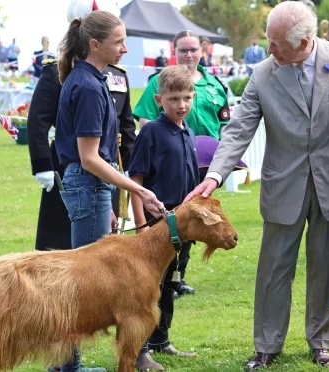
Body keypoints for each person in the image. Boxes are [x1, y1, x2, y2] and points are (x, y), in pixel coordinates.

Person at [184, 1, 329, 369]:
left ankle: (322, 341)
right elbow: (239, 129)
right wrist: (214, 174)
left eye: (276, 43)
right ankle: (267, 345)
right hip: (284, 186)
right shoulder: (264, 73)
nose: (269, 49)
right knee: (273, 270)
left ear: (304, 42)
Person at [53, 10, 165, 372]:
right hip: (88, 183)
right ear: (95, 44)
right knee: (83, 285)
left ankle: (66, 364)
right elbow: (89, 159)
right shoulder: (86, 86)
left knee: (85, 280)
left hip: (94, 188)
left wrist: (111, 202)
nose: (125, 49)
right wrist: (138, 189)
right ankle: (67, 365)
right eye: (118, 42)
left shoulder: (95, 79)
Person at [27, 3, 136, 255]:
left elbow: (125, 123)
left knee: (93, 250)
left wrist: (127, 164)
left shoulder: (111, 74)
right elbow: (38, 120)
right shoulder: (70, 74)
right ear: (93, 40)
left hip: (104, 166)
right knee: (62, 242)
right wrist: (42, 165)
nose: (123, 48)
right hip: (74, 164)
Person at [134, 30, 231, 298]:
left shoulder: (213, 84)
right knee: (161, 248)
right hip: (164, 174)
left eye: (193, 49)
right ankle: (163, 287)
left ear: (202, 50)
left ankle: (178, 280)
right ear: (174, 51)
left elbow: (224, 125)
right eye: (183, 50)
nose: (189, 54)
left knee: (189, 234)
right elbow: (144, 120)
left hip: (201, 168)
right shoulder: (160, 84)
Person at [128, 65, 200, 371]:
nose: (181, 105)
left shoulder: (189, 132)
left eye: (186, 97)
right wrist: (142, 225)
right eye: (173, 99)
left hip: (182, 227)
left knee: (171, 283)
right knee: (148, 289)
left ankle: (161, 340)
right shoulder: (151, 132)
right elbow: (135, 181)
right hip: (156, 225)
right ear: (159, 99)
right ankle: (140, 351)